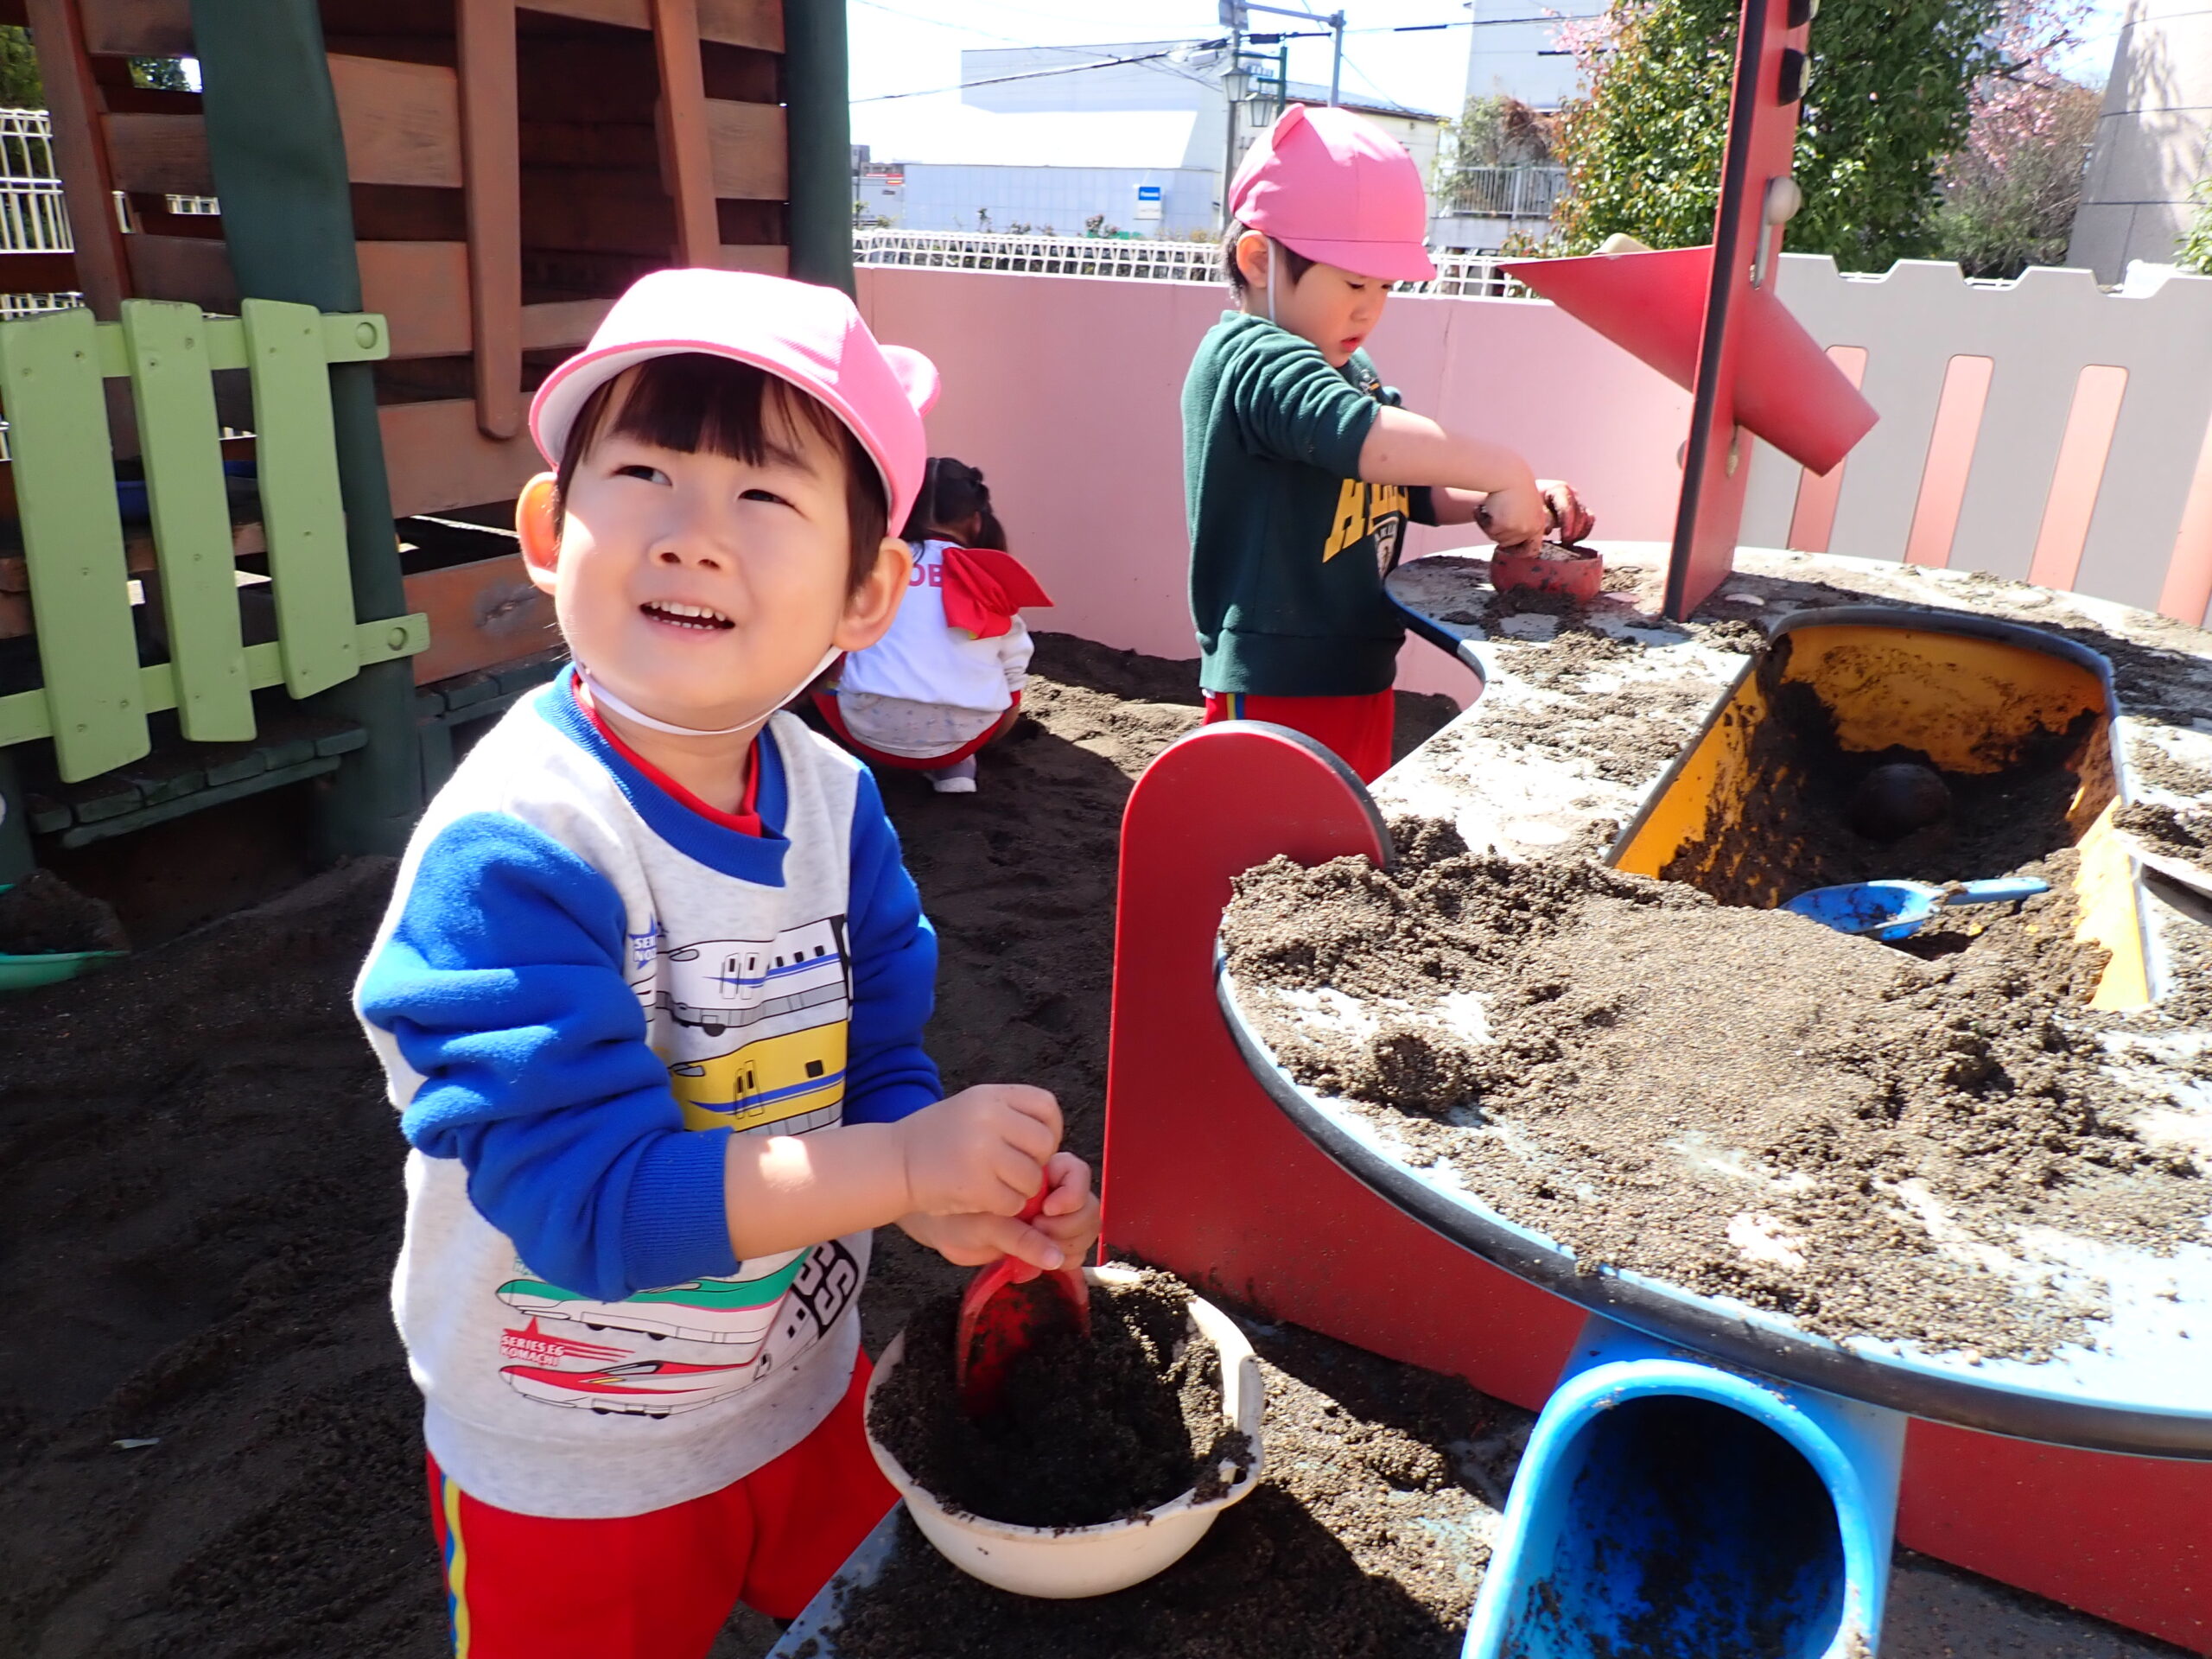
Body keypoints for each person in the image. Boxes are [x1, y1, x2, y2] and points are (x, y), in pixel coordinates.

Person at [353, 269, 1100, 1659]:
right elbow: (588, 1202)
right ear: (548, 530)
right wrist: (899, 1169)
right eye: (644, 475)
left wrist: (951, 1202)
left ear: (868, 592)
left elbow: (877, 1058)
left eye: (764, 498)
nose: (694, 538)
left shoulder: (834, 802)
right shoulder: (518, 852)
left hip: (803, 1392)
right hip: (573, 1465)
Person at [1184, 102, 1595, 784]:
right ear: (1258, 260)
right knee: (1271, 835)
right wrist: (1504, 467)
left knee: (1348, 831)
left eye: (1385, 287)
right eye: (1352, 283)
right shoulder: (1251, 359)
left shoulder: (1348, 370)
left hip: (1359, 663)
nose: (1369, 308)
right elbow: (1365, 441)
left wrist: (1505, 496)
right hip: (1278, 675)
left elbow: (1408, 486)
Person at [815, 456, 1049, 795]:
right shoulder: (989, 576)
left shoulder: (872, 564)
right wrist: (987, 736)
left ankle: (844, 752)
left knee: (826, 643)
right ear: (976, 522)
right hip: (969, 735)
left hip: (863, 729)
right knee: (1001, 663)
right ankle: (955, 767)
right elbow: (1014, 671)